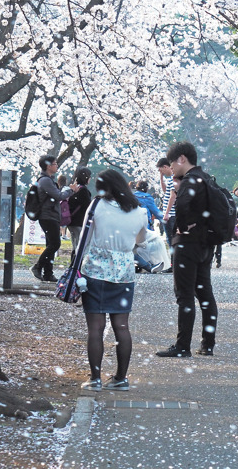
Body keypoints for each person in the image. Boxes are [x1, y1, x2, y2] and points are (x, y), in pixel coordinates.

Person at [77, 169, 148, 391]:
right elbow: (141, 240)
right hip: (124, 273)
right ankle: (121, 378)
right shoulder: (139, 211)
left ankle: (95, 378)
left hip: (96, 270)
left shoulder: (97, 206)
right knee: (122, 326)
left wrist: (76, 268)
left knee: (96, 328)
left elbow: (84, 239)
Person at [156, 141, 218, 358]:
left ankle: (183, 346)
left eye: (172, 164)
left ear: (182, 159)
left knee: (185, 295)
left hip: (187, 244)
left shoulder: (190, 181)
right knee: (205, 293)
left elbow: (181, 208)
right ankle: (207, 344)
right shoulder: (206, 178)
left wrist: (181, 226)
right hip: (206, 244)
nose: (171, 168)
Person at [31, 154, 77, 282]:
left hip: (50, 215)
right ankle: (37, 267)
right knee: (55, 244)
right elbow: (58, 196)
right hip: (48, 216)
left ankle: (48, 273)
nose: (57, 166)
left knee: (50, 244)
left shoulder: (47, 179)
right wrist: (71, 191)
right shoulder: (45, 180)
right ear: (48, 166)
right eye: (55, 164)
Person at [67, 167, 93, 254]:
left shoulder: (74, 188)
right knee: (79, 247)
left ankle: (73, 265)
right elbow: (88, 207)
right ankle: (75, 266)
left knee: (75, 245)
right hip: (79, 221)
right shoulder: (84, 191)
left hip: (71, 220)